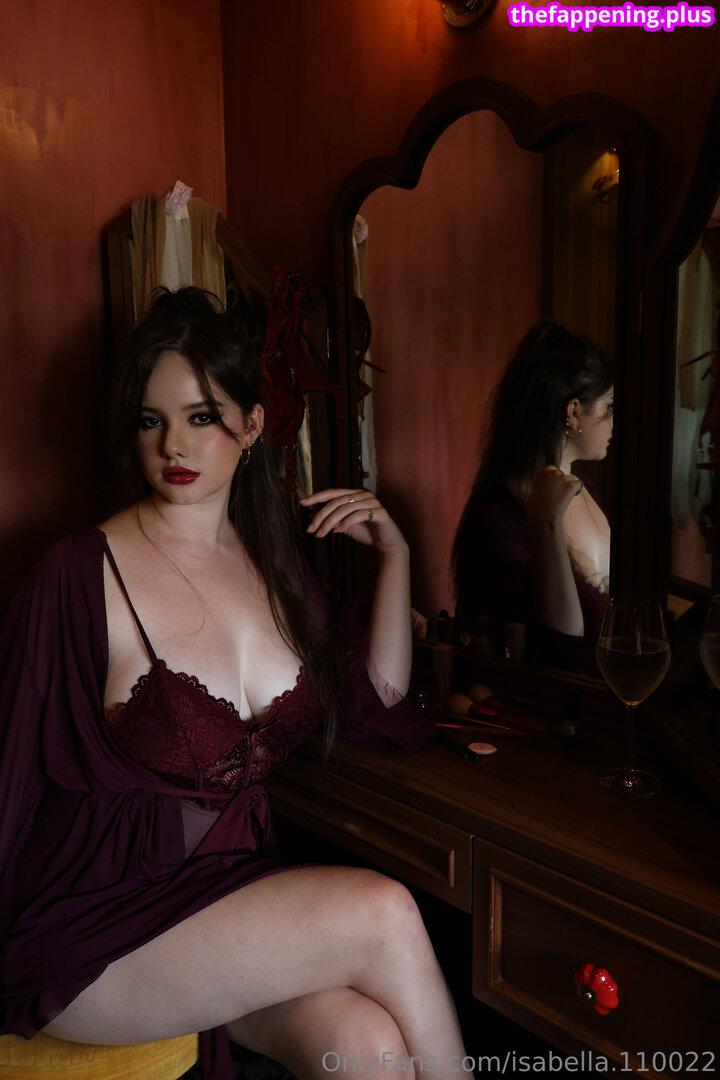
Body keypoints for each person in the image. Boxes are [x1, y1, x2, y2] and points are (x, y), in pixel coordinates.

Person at [0, 288, 467, 1080]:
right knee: (385, 913)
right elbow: (9, 774)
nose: (174, 444)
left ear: (251, 426)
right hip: (98, 926)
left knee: (369, 1046)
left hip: (226, 896)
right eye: (152, 420)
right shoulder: (77, 573)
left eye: (201, 416)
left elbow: (377, 697)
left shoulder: (273, 569)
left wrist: (396, 557)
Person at [452, 320, 614, 668]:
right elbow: (558, 644)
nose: (615, 421)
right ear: (573, 412)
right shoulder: (497, 517)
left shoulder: (588, 490)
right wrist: (546, 523)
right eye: (609, 407)